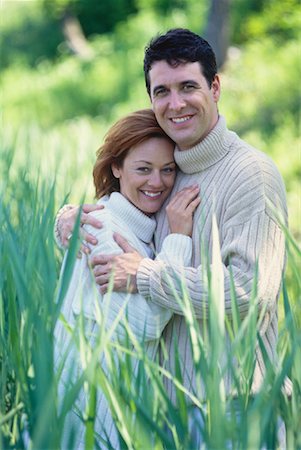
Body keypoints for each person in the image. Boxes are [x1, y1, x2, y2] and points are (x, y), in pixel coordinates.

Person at [55, 29, 290, 446]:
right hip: (171, 407)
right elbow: (123, 212)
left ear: (215, 87)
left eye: (188, 87)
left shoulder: (251, 174)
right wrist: (68, 222)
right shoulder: (171, 168)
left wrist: (146, 275)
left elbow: (248, 292)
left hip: (235, 403)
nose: (175, 103)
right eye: (162, 91)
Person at [54, 108, 200, 449]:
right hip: (95, 415)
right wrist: (178, 240)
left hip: (116, 409)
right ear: (116, 168)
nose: (157, 182)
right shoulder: (101, 227)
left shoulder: (132, 227)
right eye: (143, 169)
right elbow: (144, 324)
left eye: (168, 170)